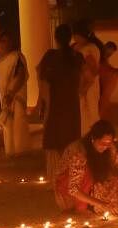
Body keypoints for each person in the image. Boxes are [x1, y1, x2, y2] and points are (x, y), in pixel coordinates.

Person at [37, 24, 84, 187]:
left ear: (55, 38)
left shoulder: (50, 57)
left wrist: (42, 105)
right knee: (70, 142)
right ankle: (72, 180)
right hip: (72, 107)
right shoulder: (77, 57)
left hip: (56, 106)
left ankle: (57, 182)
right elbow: (83, 81)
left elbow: (43, 82)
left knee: (55, 142)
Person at [54, 120, 118, 216]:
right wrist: (101, 204)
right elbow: (73, 189)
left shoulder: (108, 146)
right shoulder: (78, 153)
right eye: (102, 143)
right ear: (93, 138)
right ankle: (84, 206)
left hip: (97, 180)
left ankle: (107, 203)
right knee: (88, 175)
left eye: (108, 143)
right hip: (69, 183)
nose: (105, 147)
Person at [0, 31, 29, 157]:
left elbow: (21, 75)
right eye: (1, 41)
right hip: (5, 96)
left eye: (6, 41)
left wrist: (12, 92)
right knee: (8, 124)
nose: (3, 44)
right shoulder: (0, 62)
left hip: (16, 95)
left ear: (12, 42)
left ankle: (21, 150)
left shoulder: (17, 57)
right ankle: (10, 150)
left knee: (18, 122)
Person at [72, 20, 101, 136]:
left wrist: (84, 88)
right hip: (80, 85)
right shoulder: (77, 47)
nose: (74, 37)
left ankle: (92, 138)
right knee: (81, 115)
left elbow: (93, 71)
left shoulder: (89, 48)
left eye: (75, 35)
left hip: (88, 86)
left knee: (90, 113)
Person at [98, 41, 118, 121]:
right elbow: (102, 69)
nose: (110, 55)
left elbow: (106, 69)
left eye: (111, 54)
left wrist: (115, 70)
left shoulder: (104, 58)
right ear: (106, 47)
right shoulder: (99, 55)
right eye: (109, 52)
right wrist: (114, 71)